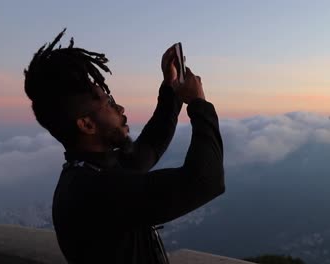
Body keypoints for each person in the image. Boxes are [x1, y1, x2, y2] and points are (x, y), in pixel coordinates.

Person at [23, 29, 225, 264]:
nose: (120, 109)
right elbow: (205, 181)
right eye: (107, 102)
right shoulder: (94, 191)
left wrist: (171, 88)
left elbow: (150, 146)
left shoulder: (92, 171)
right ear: (87, 124)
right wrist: (199, 104)